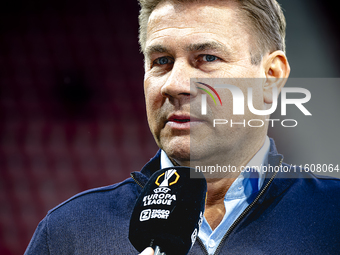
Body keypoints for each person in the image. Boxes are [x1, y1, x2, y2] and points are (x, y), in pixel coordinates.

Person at [25, 0, 340, 254]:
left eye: (206, 57)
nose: (175, 85)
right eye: (161, 61)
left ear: (270, 77)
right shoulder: (69, 234)